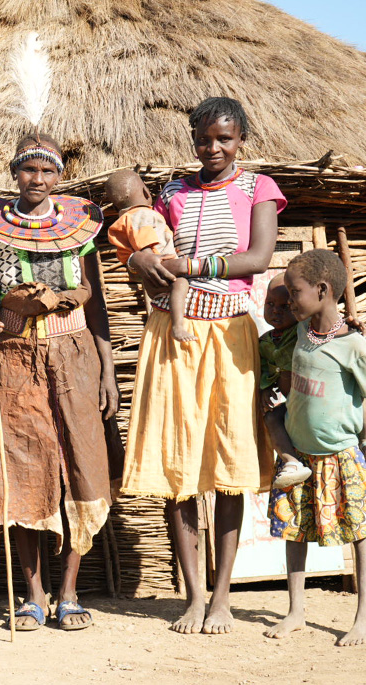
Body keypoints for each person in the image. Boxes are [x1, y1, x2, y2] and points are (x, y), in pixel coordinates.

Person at [121, 97, 286, 634]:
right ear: (192, 138)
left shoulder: (257, 189)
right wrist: (138, 260)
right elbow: (146, 255)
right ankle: (193, 596)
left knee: (230, 467)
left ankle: (222, 599)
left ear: (242, 140)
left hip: (230, 334)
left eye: (225, 139)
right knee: (179, 468)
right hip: (172, 332)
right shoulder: (171, 193)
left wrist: (189, 265)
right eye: (204, 139)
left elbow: (257, 259)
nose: (213, 148)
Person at [0, 133, 120, 632]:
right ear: (15, 172)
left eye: (48, 172)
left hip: (74, 355)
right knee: (24, 465)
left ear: (60, 176)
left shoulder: (81, 226)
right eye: (29, 171)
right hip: (14, 357)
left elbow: (94, 301)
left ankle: (69, 590)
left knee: (82, 462)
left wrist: (107, 368)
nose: (38, 180)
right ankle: (32, 594)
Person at [265, 249, 366, 646]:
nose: (289, 301)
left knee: (359, 533)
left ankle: (362, 616)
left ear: (323, 290)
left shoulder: (353, 345)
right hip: (299, 455)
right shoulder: (301, 332)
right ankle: (296, 611)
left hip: (340, 455)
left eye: (294, 293)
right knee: (294, 530)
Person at [106, 169, 195, 342]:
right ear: (146, 192)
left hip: (150, 278)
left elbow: (127, 252)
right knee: (182, 284)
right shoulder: (143, 215)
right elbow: (144, 244)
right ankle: (178, 326)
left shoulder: (125, 220)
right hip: (162, 268)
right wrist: (152, 263)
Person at [257, 273, 312, 488]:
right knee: (271, 419)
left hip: (314, 403)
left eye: (284, 306)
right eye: (270, 303)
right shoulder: (266, 341)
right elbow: (262, 367)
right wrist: (265, 388)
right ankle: (291, 461)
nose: (275, 311)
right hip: (291, 405)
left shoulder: (304, 332)